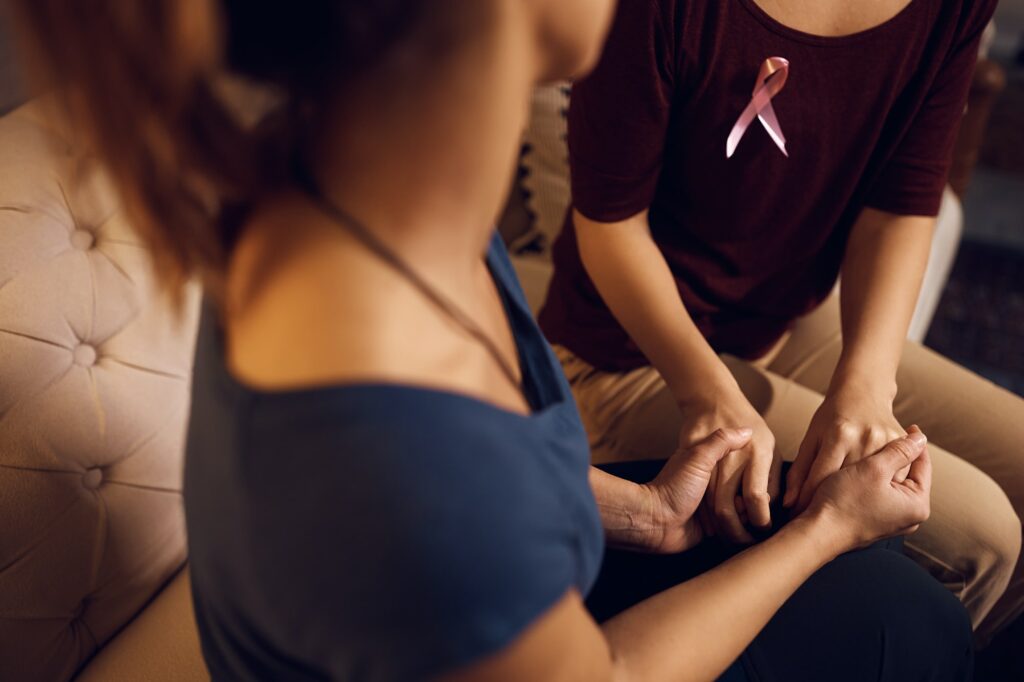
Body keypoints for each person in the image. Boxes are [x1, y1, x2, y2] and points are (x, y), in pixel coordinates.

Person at [12, 1, 972, 680]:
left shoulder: (383, 186)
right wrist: (824, 529)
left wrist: (639, 513)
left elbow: (501, 465)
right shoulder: (403, 453)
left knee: (905, 613)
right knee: (903, 630)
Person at [538, 0, 1023, 644]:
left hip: (784, 324)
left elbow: (902, 203)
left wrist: (867, 387)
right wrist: (707, 396)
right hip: (625, 353)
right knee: (982, 537)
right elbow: (608, 226)